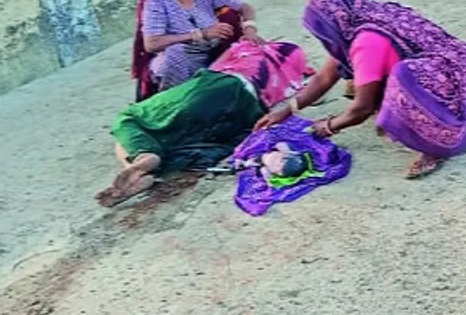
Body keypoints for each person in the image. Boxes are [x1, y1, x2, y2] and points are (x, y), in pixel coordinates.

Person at [254, 0, 466, 179]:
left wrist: (326, 126)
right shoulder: (363, 17)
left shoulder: (365, 42)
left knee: (402, 78)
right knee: (363, 74)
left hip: (452, 83)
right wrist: (287, 110)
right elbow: (325, 77)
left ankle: (436, 143)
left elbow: (361, 109)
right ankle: (416, 111)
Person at [97, 39, 311, 207]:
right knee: (171, 138)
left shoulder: (248, 49)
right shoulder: (293, 77)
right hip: (247, 112)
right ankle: (141, 164)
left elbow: (215, 66)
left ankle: (141, 160)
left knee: (128, 118)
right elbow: (305, 89)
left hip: (217, 85)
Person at [133, 0, 265, 100]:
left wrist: (249, 29)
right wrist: (201, 34)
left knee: (262, 51)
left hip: (213, 52)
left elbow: (244, 7)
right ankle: (179, 100)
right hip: (182, 60)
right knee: (176, 52)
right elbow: (151, 43)